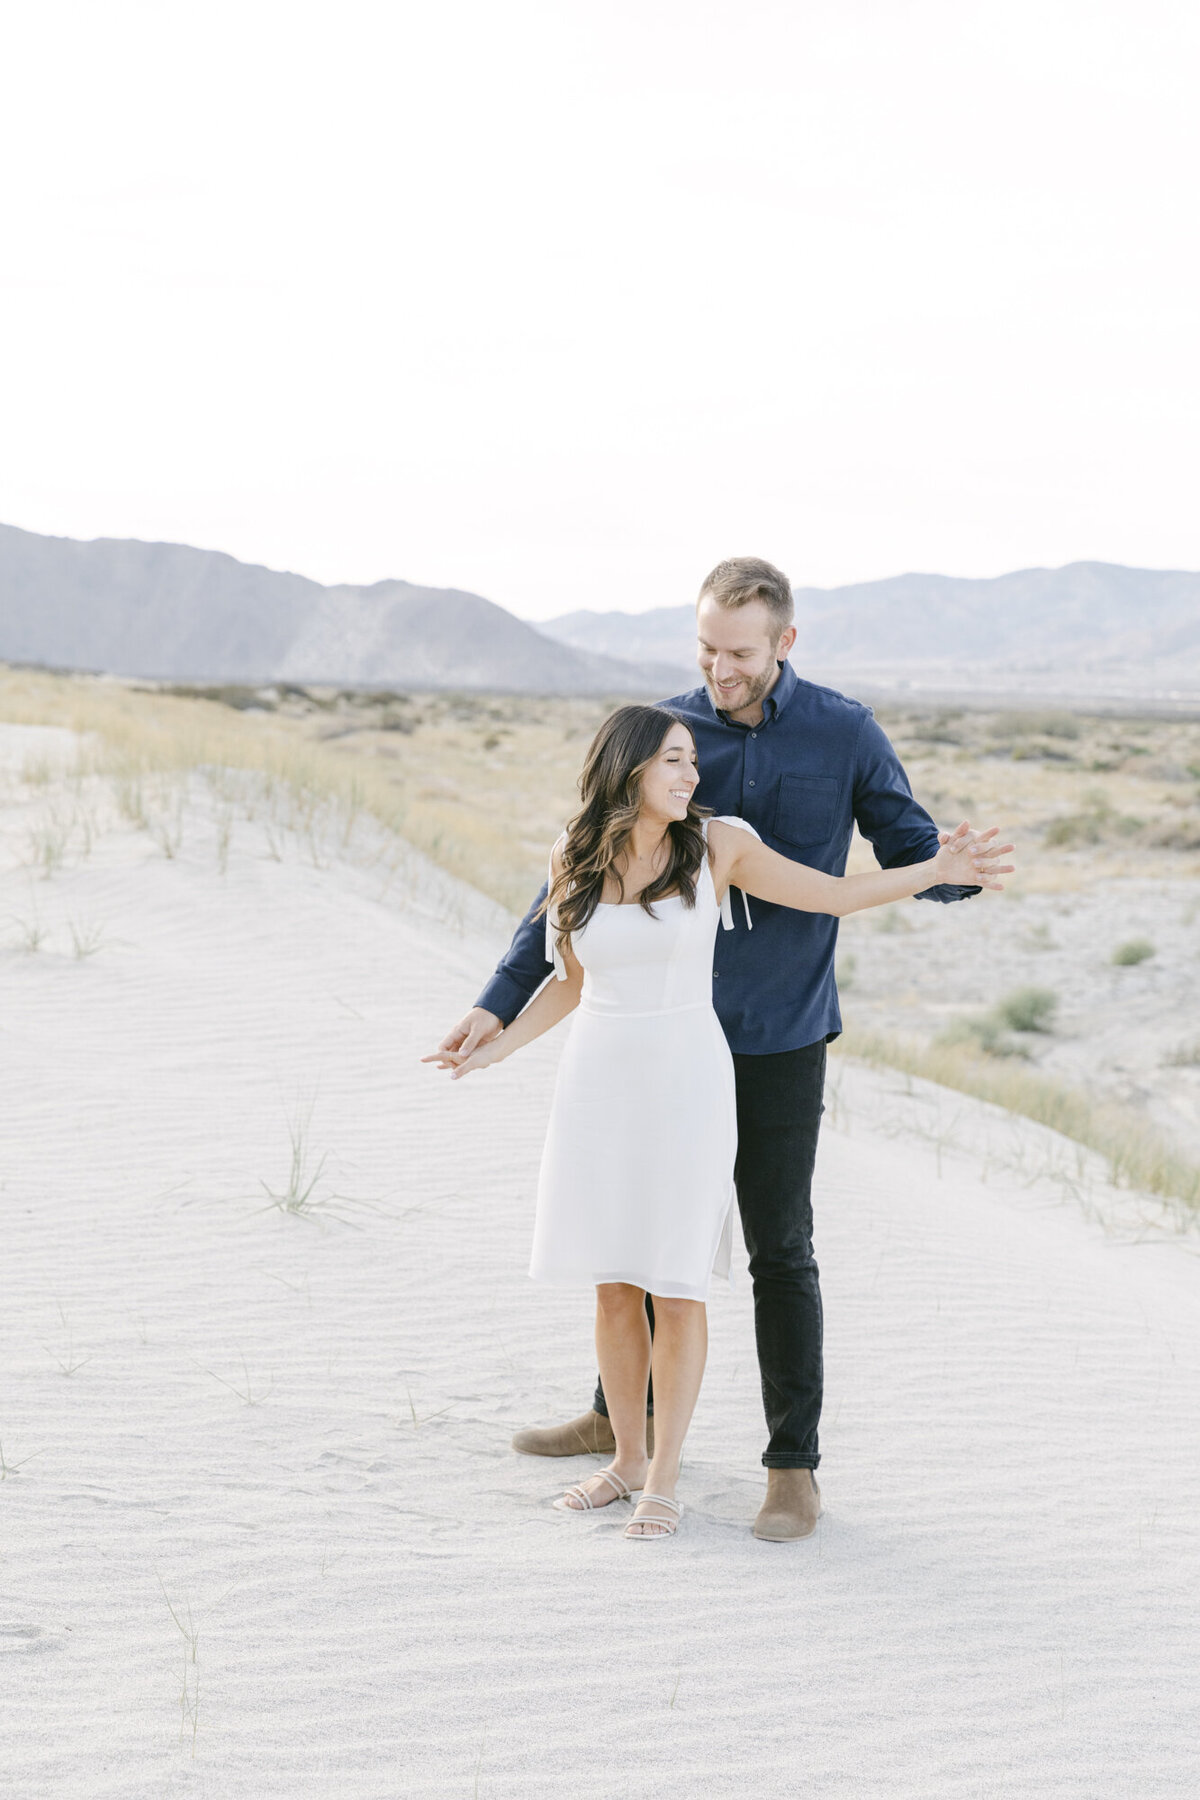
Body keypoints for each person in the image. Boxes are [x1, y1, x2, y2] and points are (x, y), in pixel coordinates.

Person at [432, 556, 995, 1541]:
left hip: (774, 1036)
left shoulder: (843, 732)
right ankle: (618, 1425)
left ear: (784, 643)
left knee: (777, 1250)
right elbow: (560, 918)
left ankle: (791, 1470)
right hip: (632, 1041)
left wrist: (947, 874)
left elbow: (888, 849)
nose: (718, 668)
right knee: (629, 1245)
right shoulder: (661, 735)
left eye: (738, 652)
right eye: (704, 648)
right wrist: (494, 1008)